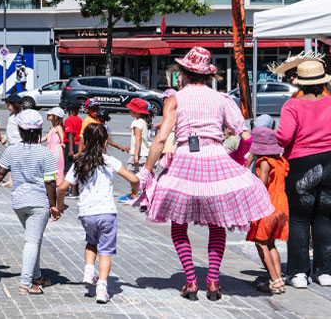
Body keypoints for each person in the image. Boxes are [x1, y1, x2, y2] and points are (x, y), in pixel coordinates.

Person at [139, 47, 274, 301]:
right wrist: (235, 160)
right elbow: (245, 136)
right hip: (216, 158)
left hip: (184, 163)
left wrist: (147, 171)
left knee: (179, 223)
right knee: (217, 223)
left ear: (184, 74)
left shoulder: (176, 99)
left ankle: (191, 282)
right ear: (208, 75)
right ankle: (213, 282)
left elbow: (161, 138)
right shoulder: (222, 99)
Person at [55, 124, 139, 304]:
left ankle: (88, 270)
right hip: (107, 213)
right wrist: (134, 191)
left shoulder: (79, 162)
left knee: (91, 242)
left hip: (86, 214)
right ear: (104, 142)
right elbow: (134, 179)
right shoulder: (110, 161)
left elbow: (62, 187)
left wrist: (59, 205)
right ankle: (102, 288)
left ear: (84, 142)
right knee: (106, 251)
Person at [0, 109, 59, 295]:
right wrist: (54, 205)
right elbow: (50, 182)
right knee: (32, 241)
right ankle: (26, 283)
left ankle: (37, 277)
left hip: (18, 203)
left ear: (19, 130)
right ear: (39, 131)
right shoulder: (46, 154)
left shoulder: (11, 150)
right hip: (39, 203)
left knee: (33, 239)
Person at [276, 60, 331, 289]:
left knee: (299, 219)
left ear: (300, 83)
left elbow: (284, 137)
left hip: (301, 163)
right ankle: (326, 272)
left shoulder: (292, 106)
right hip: (330, 161)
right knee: (325, 217)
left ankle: (298, 273)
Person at [246, 126, 288, 294]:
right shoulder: (280, 161)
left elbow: (261, 185)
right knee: (271, 243)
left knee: (260, 242)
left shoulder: (264, 162)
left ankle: (275, 280)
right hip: (282, 205)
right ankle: (278, 279)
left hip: (268, 205)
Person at [119, 98, 152, 204]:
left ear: (136, 111)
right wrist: (131, 147)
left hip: (139, 154)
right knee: (141, 175)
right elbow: (140, 140)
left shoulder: (136, 123)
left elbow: (138, 139)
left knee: (133, 175)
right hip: (144, 153)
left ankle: (134, 196)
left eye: (131, 109)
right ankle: (139, 195)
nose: (129, 111)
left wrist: (135, 155)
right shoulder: (143, 122)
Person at [62, 102, 83, 197]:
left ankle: (72, 190)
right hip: (78, 145)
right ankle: (76, 189)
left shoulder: (68, 120)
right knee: (76, 167)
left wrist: (70, 150)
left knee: (68, 168)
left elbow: (70, 134)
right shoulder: (79, 120)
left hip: (71, 145)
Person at [43, 107, 66, 186]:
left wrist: (62, 143)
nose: (47, 117)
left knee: (57, 165)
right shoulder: (51, 128)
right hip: (50, 148)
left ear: (55, 117)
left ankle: (58, 181)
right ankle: (52, 179)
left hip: (56, 149)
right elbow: (45, 138)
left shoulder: (58, 128)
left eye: (50, 115)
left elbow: (62, 138)